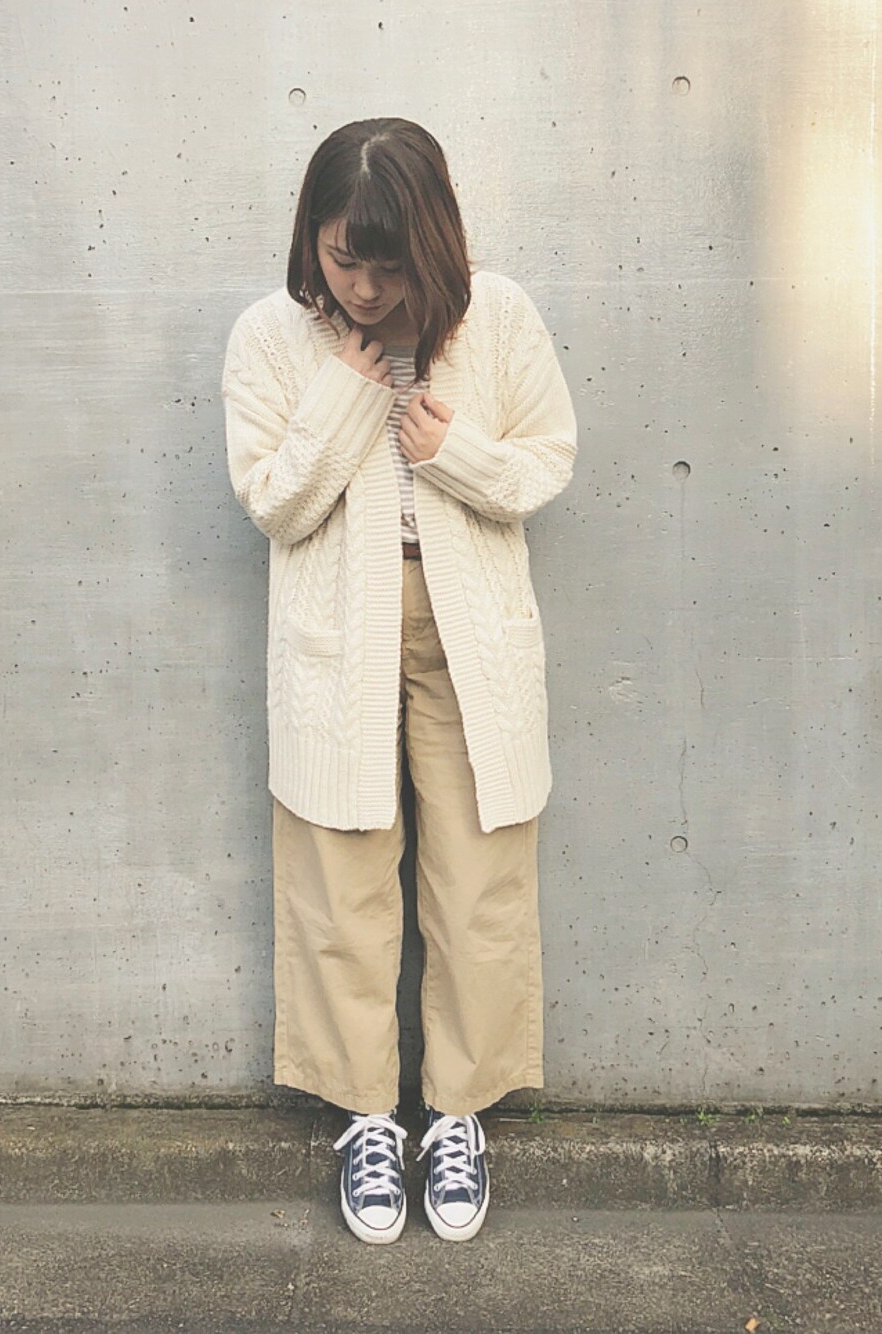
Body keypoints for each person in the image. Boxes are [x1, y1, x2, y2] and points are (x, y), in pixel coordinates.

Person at [221, 117, 577, 1245]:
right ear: (311, 240)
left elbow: (546, 462)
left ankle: (457, 1115)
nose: (366, 289)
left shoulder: (499, 317)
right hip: (340, 634)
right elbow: (273, 503)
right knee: (339, 875)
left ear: (434, 240)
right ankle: (368, 1117)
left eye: (387, 263)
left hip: (471, 632)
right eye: (344, 260)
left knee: (479, 878)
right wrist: (343, 396)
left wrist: (449, 452)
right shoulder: (271, 337)